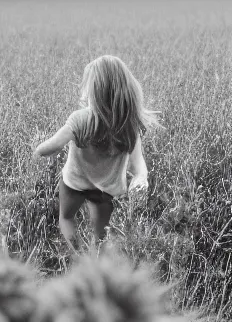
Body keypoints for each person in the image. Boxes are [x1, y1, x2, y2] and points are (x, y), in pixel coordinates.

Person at [34, 55, 158, 252]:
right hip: (107, 191)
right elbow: (137, 164)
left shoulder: (79, 119)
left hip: (74, 184)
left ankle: (79, 254)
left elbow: (52, 146)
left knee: (66, 218)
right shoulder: (129, 126)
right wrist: (141, 177)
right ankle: (96, 258)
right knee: (101, 232)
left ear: (95, 91)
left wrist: (38, 149)